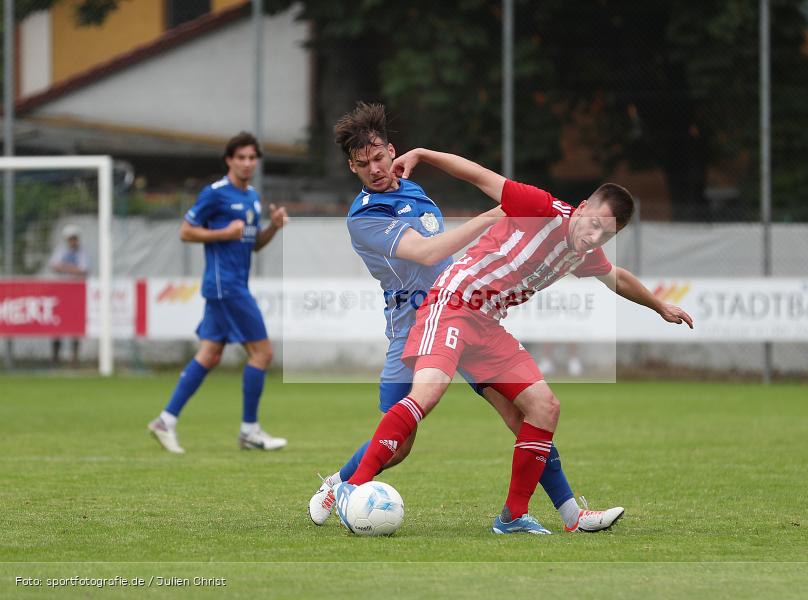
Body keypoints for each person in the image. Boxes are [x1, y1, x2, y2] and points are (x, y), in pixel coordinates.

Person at [332, 147, 694, 534]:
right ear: (583, 206)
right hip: (453, 302)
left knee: (542, 407)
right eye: (593, 224)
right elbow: (477, 175)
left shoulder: (584, 252)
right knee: (428, 395)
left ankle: (521, 517)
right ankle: (349, 489)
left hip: (487, 326)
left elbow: (616, 277)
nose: (593, 236)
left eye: (606, 234)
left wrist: (659, 305)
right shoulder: (540, 207)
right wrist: (423, 154)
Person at [309, 102, 623, 534]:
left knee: (526, 414)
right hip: (412, 323)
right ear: (352, 168)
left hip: (464, 313)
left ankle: (567, 513)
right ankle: (340, 483)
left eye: (379, 157)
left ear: (391, 151)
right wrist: (494, 214)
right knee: (400, 446)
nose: (375, 168)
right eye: (363, 164)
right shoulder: (364, 216)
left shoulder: (413, 190)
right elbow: (428, 251)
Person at [148, 132, 289, 454]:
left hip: (233, 283)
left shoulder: (252, 197)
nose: (247, 163)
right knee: (263, 353)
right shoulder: (215, 194)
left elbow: (252, 245)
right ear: (229, 160)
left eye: (252, 158)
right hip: (226, 286)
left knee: (210, 354)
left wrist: (273, 227)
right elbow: (185, 231)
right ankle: (250, 431)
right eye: (241, 157)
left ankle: (165, 421)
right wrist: (223, 232)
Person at [50, 224, 89, 366]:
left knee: (76, 326)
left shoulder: (82, 252)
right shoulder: (61, 250)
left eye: (74, 238)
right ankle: (55, 358)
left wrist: (65, 267)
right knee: (57, 325)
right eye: (70, 238)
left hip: (75, 293)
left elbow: (83, 270)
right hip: (61, 292)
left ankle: (74, 359)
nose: (73, 241)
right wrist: (73, 269)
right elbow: (54, 266)